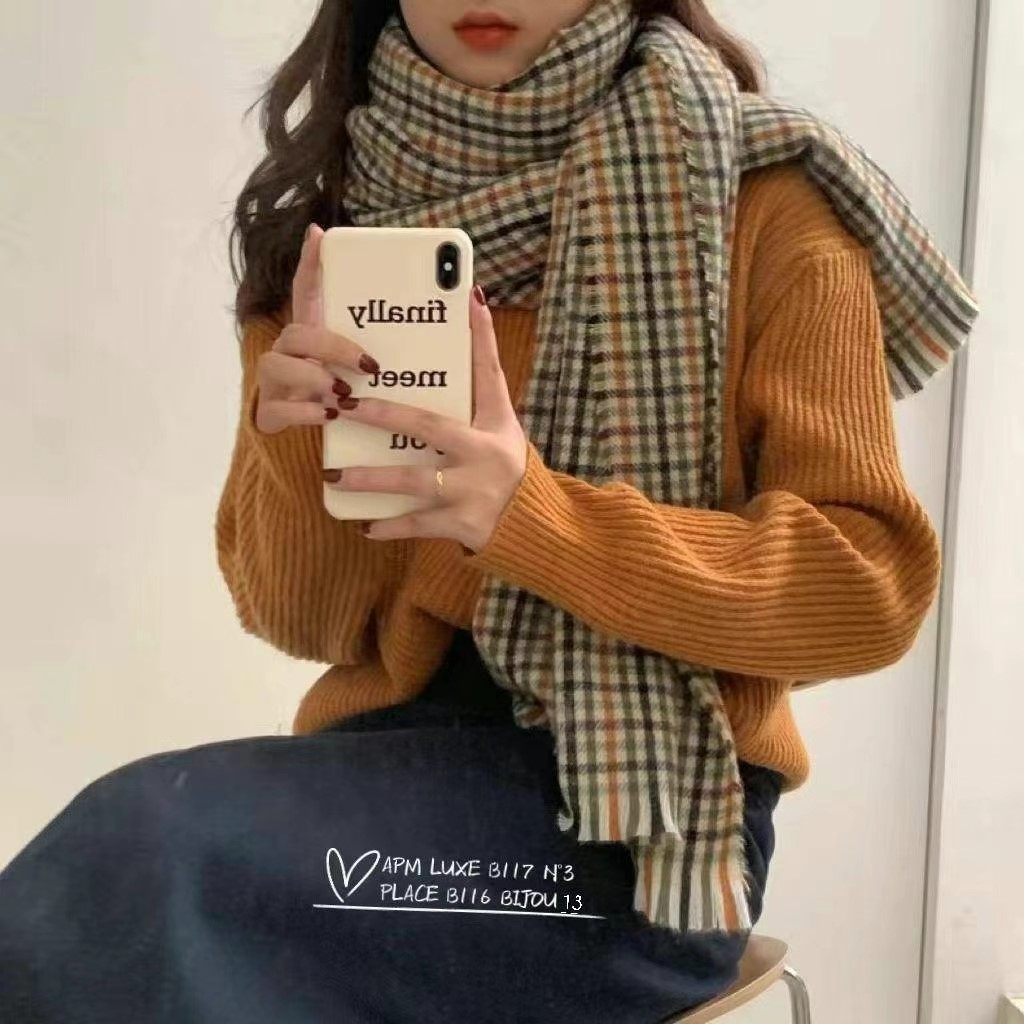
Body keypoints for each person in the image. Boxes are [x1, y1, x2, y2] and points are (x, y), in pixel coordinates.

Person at [0, 2, 960, 1021]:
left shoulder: (761, 200)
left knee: (147, 857)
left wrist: (534, 518)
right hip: (380, 775)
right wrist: (294, 445)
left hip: (644, 845)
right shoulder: (337, 230)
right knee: (130, 877)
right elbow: (300, 621)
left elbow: (867, 588)